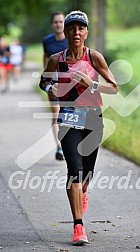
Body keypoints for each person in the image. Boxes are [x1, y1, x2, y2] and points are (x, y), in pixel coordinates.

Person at [39, 10, 118, 246]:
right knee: (74, 169)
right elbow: (44, 80)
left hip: (93, 120)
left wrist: (92, 83)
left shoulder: (95, 58)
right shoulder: (57, 59)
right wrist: (50, 89)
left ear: (86, 33)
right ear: (65, 31)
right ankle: (78, 226)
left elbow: (113, 88)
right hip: (68, 119)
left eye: (80, 28)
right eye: (71, 28)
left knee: (86, 174)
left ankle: (82, 191)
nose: (76, 32)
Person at [43, 11, 68, 160]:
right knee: (57, 114)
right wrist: (46, 78)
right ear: (52, 24)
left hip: (70, 83)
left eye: (61, 21)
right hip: (53, 82)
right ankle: (60, 147)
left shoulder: (72, 40)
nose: (58, 24)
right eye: (56, 22)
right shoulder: (47, 41)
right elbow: (46, 59)